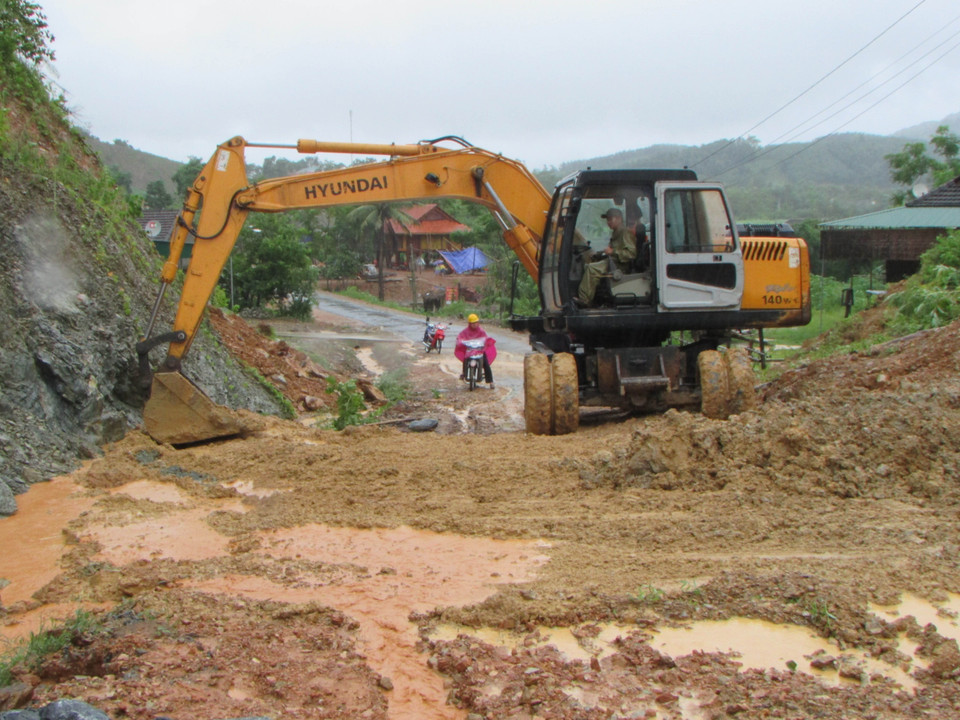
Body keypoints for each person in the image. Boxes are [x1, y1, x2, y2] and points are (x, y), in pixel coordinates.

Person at [576, 207, 637, 306]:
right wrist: (598, 254)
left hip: (619, 266)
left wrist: (613, 252)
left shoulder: (625, 233)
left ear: (619, 219)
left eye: (610, 219)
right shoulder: (616, 232)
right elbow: (611, 250)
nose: (608, 222)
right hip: (613, 263)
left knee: (592, 269)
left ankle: (584, 300)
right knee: (588, 264)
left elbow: (631, 254)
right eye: (607, 220)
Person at [455, 313, 495, 389]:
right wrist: (459, 341)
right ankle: (464, 373)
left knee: (486, 363)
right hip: (470, 350)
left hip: (479, 351)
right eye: (473, 323)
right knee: (465, 360)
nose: (475, 325)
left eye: (476, 323)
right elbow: (460, 337)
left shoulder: (481, 331)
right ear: (469, 324)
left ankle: (491, 381)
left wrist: (486, 342)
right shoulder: (465, 331)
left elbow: (485, 338)